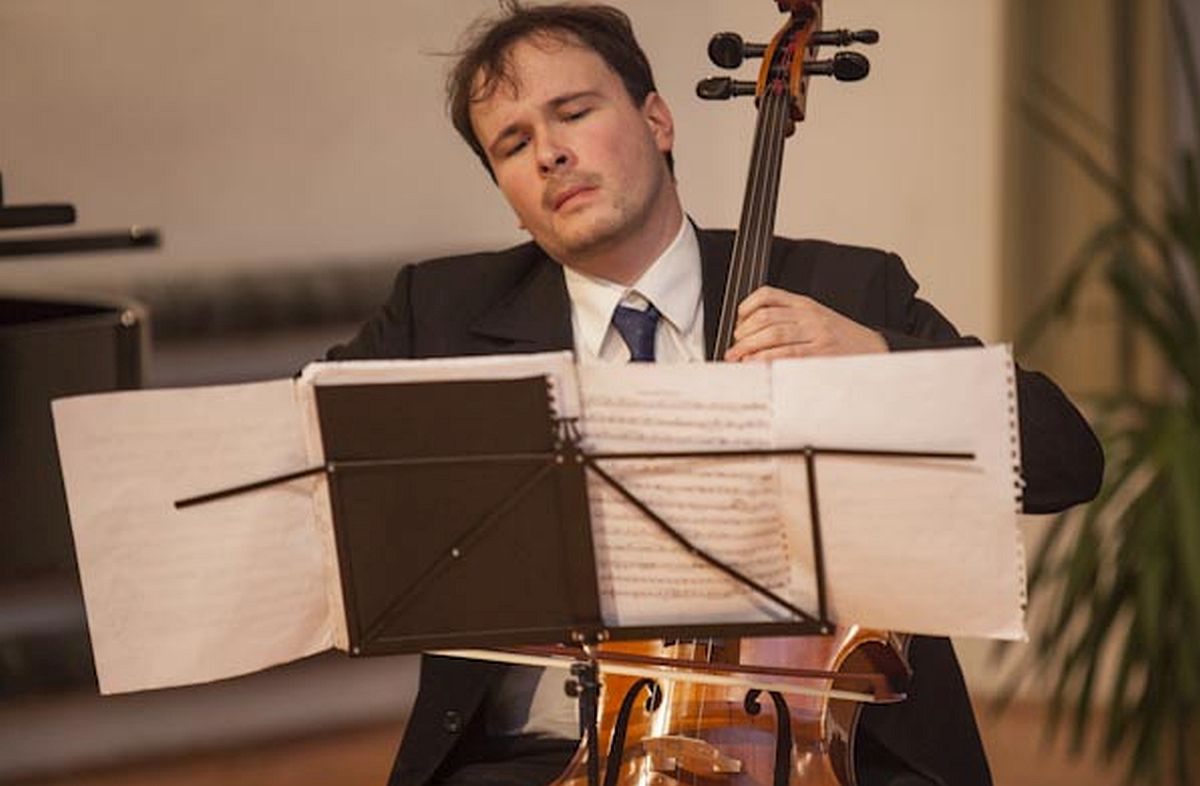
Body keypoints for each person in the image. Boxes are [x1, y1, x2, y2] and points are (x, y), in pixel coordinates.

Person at [328, 3, 1103, 784]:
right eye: (513, 144)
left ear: (657, 121)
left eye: (574, 112)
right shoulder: (440, 312)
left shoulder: (844, 288)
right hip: (534, 758)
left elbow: (1065, 460)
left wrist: (874, 357)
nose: (550, 154)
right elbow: (303, 467)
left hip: (808, 748)